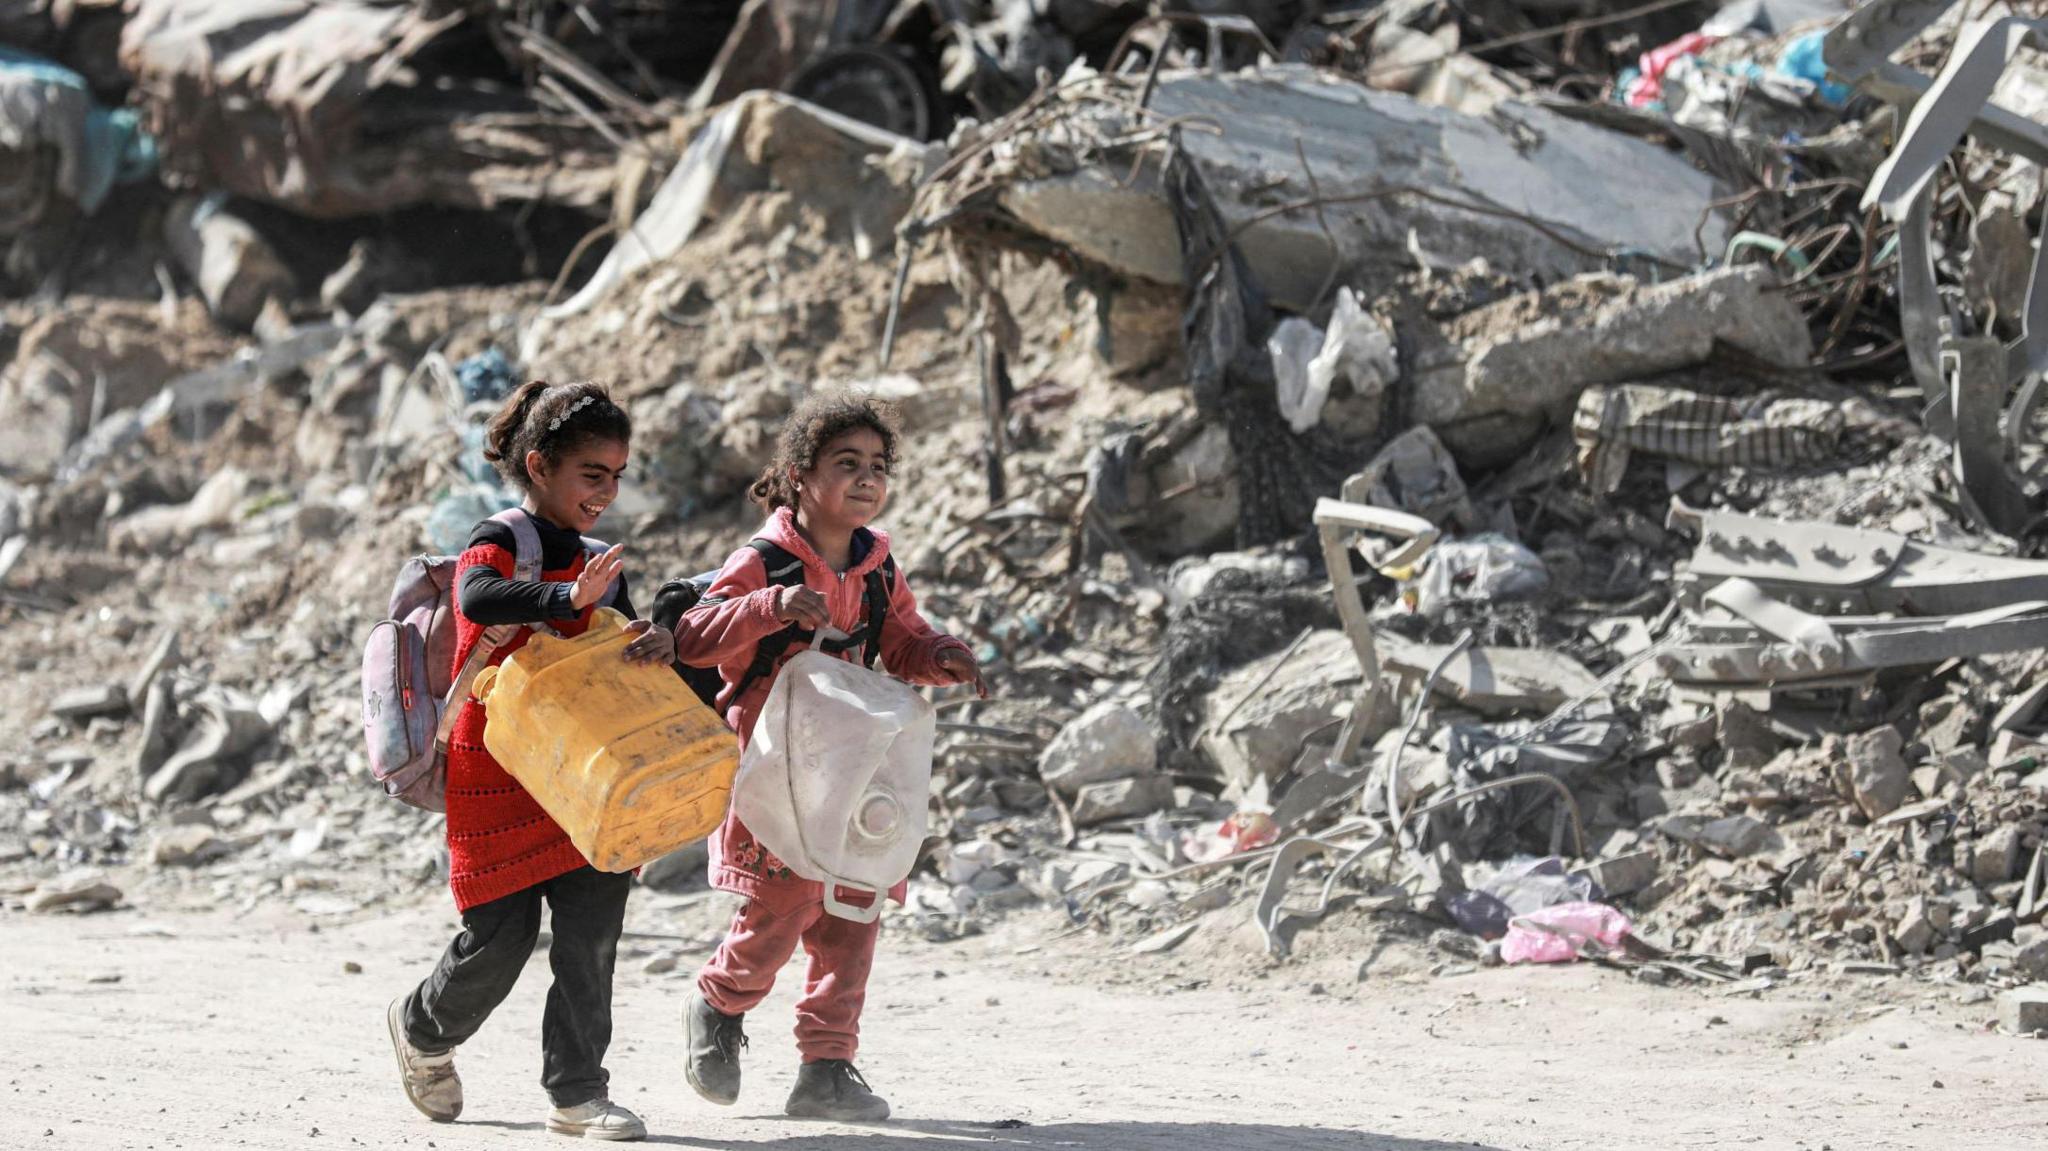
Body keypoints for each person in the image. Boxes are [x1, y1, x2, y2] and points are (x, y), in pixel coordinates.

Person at [673, 390, 984, 1122]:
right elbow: (692, 636)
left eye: (878, 465)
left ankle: (827, 1066)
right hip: (776, 768)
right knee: (779, 907)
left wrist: (942, 655)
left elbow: (902, 640)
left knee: (854, 907)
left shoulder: (878, 568)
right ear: (800, 473)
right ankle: (718, 1003)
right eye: (848, 463)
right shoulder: (763, 560)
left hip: (856, 764)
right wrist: (769, 609)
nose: (867, 478)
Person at [385, 380, 673, 1142]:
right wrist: (565, 599)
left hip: (582, 769)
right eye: (592, 474)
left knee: (593, 933)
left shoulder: (594, 558)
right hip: (500, 767)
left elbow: (610, 633)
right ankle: (422, 1027)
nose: (607, 492)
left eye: (616, 475)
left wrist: (650, 640)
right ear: (541, 464)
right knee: (501, 935)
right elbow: (478, 597)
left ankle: (577, 1092)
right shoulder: (504, 534)